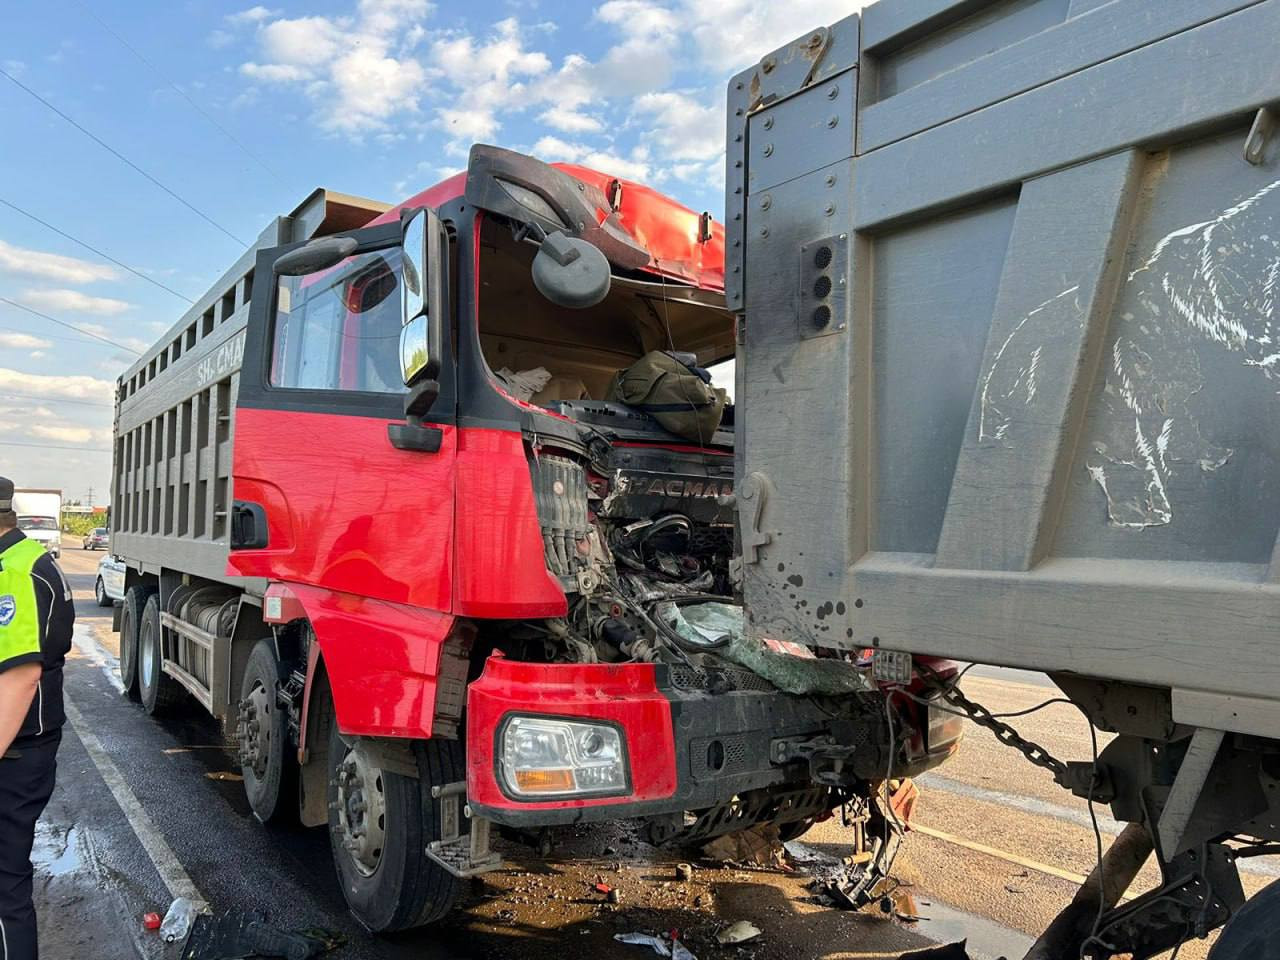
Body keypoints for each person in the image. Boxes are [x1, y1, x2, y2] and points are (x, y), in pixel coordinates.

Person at [0, 476, 74, 960]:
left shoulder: (16, 570)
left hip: (15, 751)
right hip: (20, 747)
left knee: (4, 890)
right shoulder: (19, 561)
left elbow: (21, 677)